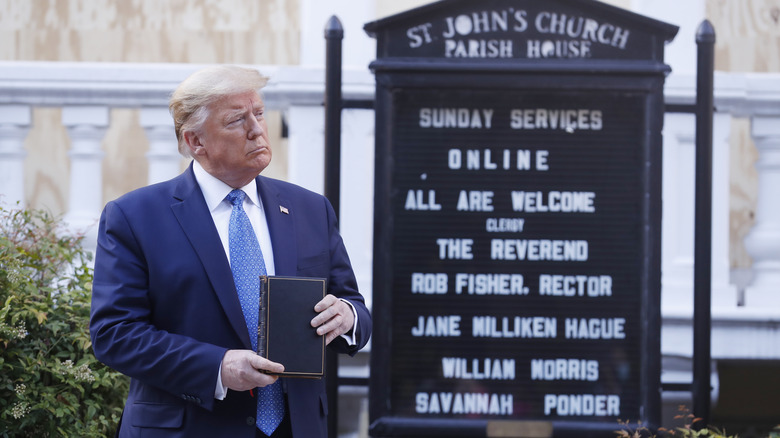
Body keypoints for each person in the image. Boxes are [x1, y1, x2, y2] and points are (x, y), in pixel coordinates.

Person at [89, 65, 372, 438]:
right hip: (189, 427)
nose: (256, 129)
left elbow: (354, 306)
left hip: (297, 426)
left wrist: (347, 318)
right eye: (237, 120)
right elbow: (115, 333)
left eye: (258, 113)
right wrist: (216, 367)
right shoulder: (134, 217)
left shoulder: (310, 209)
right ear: (196, 142)